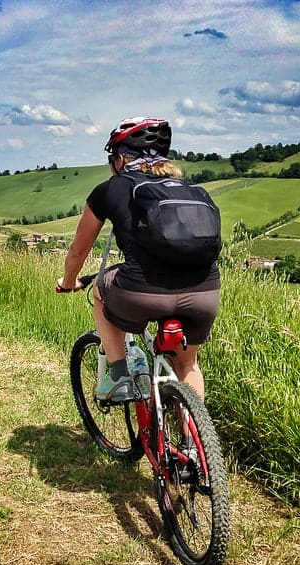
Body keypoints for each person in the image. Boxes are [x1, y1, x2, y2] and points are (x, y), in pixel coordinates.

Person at [57, 117, 220, 403]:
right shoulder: (190, 189)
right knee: (188, 365)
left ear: (120, 159)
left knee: (100, 291)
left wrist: (69, 281)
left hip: (141, 293)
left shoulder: (111, 189)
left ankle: (120, 374)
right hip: (204, 294)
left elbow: (78, 251)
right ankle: (194, 447)